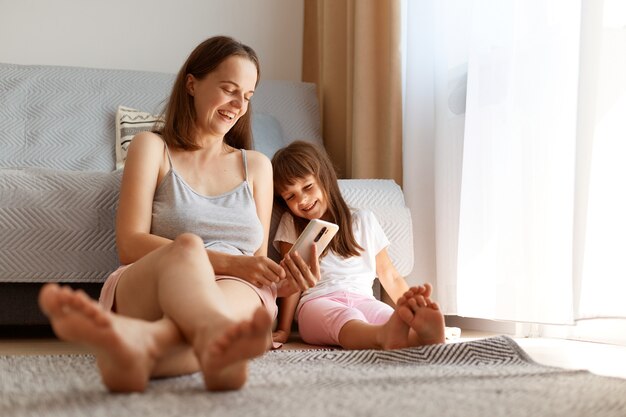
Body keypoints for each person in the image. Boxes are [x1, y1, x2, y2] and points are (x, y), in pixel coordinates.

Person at [38, 35, 290, 393]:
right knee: (186, 250)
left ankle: (143, 348)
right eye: (230, 89)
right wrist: (227, 263)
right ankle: (219, 347)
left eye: (247, 97)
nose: (238, 105)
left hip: (235, 288)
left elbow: (258, 262)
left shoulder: (258, 166)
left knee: (220, 315)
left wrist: (285, 281)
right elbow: (129, 244)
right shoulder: (151, 147)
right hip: (158, 278)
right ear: (192, 83)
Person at [271, 141, 446, 350]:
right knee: (347, 317)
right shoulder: (291, 224)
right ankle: (383, 337)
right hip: (316, 303)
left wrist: (410, 309)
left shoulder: (363, 220)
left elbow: (389, 275)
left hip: (362, 298)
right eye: (291, 196)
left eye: (308, 186)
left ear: (324, 178)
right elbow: (293, 282)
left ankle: (418, 336)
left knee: (386, 315)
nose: (303, 199)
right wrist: (284, 328)